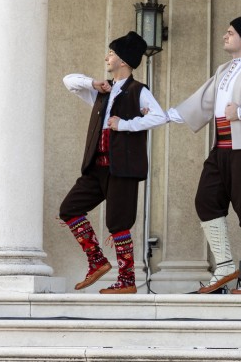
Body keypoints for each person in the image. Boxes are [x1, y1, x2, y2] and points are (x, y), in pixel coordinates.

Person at [166, 12, 241, 294]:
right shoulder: (223, 69)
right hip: (221, 146)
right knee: (206, 200)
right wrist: (164, 116)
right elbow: (202, 101)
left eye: (230, 32)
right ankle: (225, 266)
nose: (225, 36)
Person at [59, 31, 166, 294]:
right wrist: (93, 83)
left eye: (112, 53)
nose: (107, 57)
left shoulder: (138, 90)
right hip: (96, 168)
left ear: (124, 60)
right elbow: (69, 81)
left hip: (122, 169)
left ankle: (127, 281)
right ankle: (97, 261)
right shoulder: (102, 90)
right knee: (69, 209)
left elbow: (159, 117)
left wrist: (125, 124)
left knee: (118, 223)